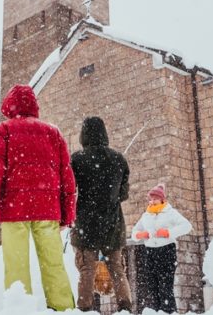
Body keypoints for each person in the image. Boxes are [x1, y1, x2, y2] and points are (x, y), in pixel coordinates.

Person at [0, 84, 77, 311]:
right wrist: (67, 214)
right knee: (53, 264)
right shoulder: (53, 133)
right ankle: (64, 309)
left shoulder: (4, 131)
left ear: (9, 106)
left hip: (14, 210)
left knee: (16, 264)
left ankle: (19, 308)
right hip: (48, 210)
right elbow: (66, 177)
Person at [69, 117, 132, 312]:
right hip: (113, 221)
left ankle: (85, 308)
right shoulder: (119, 159)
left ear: (84, 134)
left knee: (87, 268)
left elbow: (71, 189)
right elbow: (123, 193)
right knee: (116, 267)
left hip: (86, 222)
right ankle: (125, 307)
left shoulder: (77, 159)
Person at [131, 183, 192, 313]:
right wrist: (140, 235)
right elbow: (134, 232)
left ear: (162, 199)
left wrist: (168, 233)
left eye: (155, 198)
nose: (152, 201)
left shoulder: (170, 213)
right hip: (150, 252)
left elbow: (187, 226)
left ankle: (169, 311)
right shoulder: (146, 215)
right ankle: (157, 311)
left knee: (165, 287)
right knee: (152, 286)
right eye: (151, 199)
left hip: (166, 251)